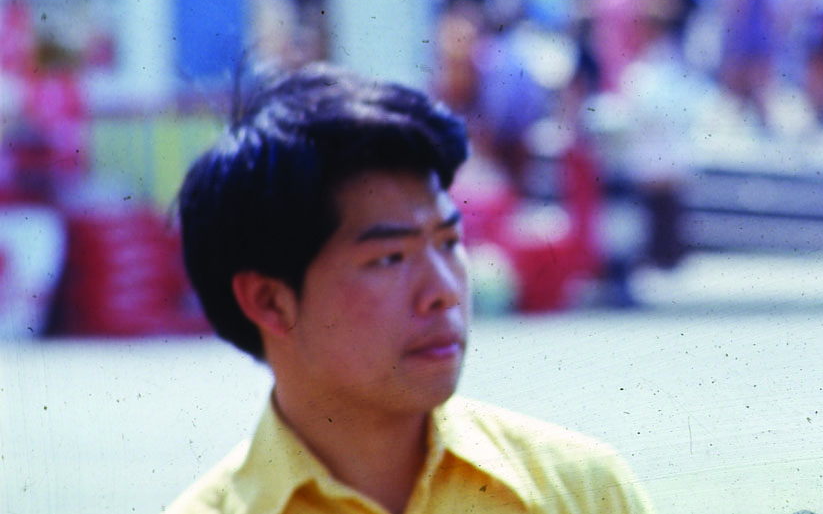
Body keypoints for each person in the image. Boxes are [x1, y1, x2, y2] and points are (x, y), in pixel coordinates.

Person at [168, 63, 655, 514]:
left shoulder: (579, 490)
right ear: (269, 300)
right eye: (389, 258)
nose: (444, 292)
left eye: (449, 242)